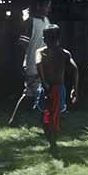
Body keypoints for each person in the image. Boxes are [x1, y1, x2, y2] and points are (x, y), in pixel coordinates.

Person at [9, 0, 52, 125]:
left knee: (38, 93)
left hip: (44, 64)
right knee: (31, 94)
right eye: (47, 6)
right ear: (39, 6)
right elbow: (22, 45)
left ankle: (40, 120)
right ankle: (16, 120)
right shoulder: (30, 22)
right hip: (33, 65)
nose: (49, 9)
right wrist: (22, 65)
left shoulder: (46, 21)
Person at [35, 25, 79, 153]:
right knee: (55, 115)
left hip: (48, 88)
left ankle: (52, 142)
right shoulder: (65, 53)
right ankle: (53, 142)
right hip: (59, 88)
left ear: (44, 38)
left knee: (45, 116)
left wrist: (44, 82)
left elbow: (38, 64)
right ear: (59, 39)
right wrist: (75, 88)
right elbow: (75, 69)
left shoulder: (41, 52)